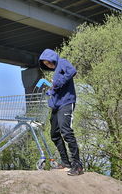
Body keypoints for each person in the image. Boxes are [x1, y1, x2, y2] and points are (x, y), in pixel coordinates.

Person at [38, 48, 84, 176]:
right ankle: (66, 163)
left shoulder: (62, 62)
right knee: (54, 134)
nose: (49, 65)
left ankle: (77, 165)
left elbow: (72, 71)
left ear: (52, 58)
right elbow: (58, 87)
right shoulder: (55, 72)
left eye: (49, 62)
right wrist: (51, 90)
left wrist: (58, 82)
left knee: (66, 131)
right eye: (46, 64)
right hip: (56, 105)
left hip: (67, 102)